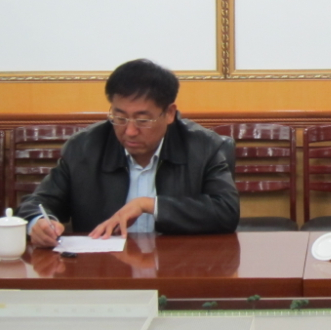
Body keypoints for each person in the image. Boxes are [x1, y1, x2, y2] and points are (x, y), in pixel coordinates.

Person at [20, 59, 240, 247]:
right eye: (120, 118)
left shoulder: (205, 147)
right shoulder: (84, 147)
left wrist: (148, 205)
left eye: (143, 120)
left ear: (169, 113)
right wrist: (39, 223)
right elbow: (37, 203)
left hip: (178, 268)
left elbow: (226, 212)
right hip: (103, 270)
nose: (130, 131)